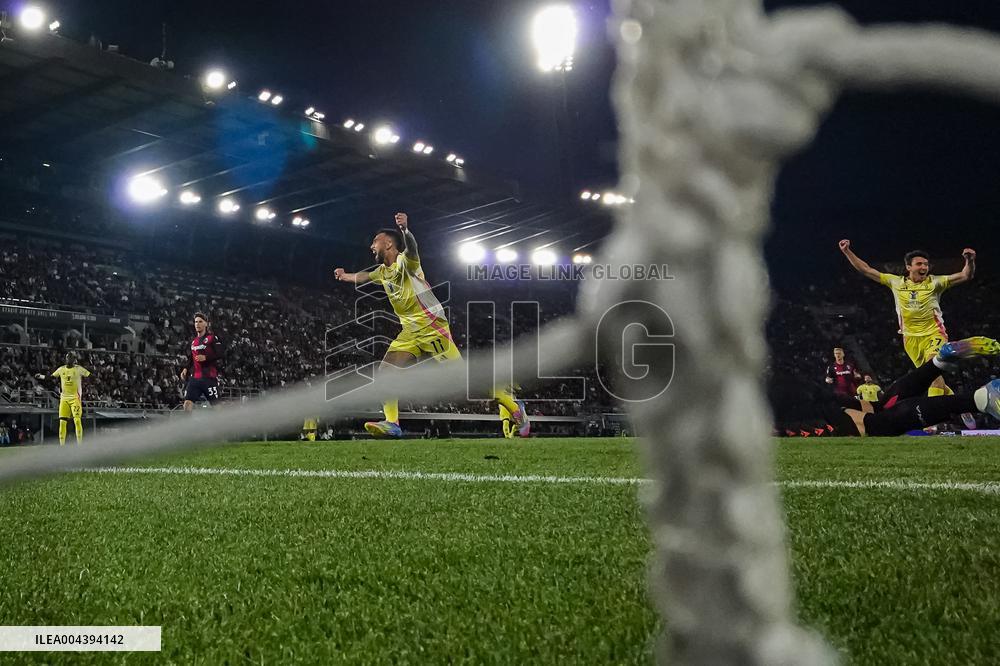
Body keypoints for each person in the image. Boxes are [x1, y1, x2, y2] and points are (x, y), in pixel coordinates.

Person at [334, 212, 527, 438]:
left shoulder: (408, 262)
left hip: (432, 326)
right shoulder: (382, 272)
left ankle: (514, 406)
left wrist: (406, 231)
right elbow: (364, 277)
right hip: (409, 332)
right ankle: (392, 423)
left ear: (388, 243)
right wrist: (345, 275)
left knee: (464, 385)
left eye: (375, 241)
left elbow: (413, 248)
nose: (371, 246)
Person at [775, 336, 1000, 437]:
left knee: (878, 425)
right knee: (879, 407)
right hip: (806, 395)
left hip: (790, 411)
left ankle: (980, 399)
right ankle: (939, 362)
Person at [839, 241, 975, 401]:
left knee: (933, 368)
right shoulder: (896, 282)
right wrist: (847, 251)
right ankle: (954, 404)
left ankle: (934, 418)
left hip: (934, 333)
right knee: (931, 377)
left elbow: (966, 275)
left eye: (926, 264)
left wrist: (970, 260)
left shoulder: (935, 282)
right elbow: (866, 270)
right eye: (919, 264)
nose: (924, 267)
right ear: (908, 267)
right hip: (910, 338)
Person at [35, 351, 90, 445]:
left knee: (77, 420)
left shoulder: (78, 369)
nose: (68, 359)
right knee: (62, 422)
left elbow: (90, 375)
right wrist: (41, 376)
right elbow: (51, 377)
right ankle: (62, 445)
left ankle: (80, 444)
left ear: (74, 360)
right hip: (64, 399)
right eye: (67, 357)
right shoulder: (61, 369)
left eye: (70, 357)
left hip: (75, 398)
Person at [180, 312, 224, 412]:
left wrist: (206, 357)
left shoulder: (212, 338)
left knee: (217, 407)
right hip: (195, 379)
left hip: (209, 379)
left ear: (206, 324)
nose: (197, 324)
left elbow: (220, 353)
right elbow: (192, 357)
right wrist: (186, 368)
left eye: (200, 322)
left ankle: (223, 425)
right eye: (196, 322)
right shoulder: (194, 341)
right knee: (187, 404)